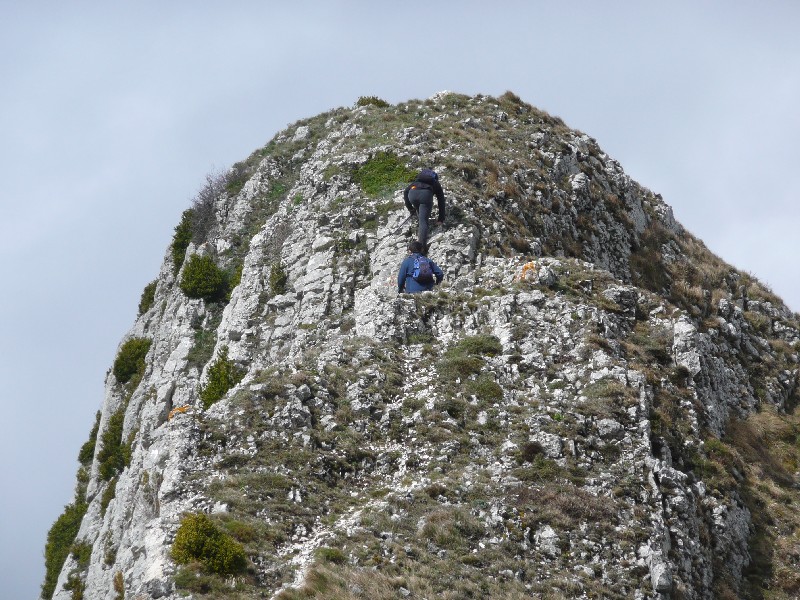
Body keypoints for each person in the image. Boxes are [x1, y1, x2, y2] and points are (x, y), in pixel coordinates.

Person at [403, 168, 446, 253]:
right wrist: (441, 219)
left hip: (413, 193)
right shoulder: (436, 183)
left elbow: (405, 192)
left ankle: (420, 224)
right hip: (425, 195)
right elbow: (441, 201)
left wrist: (410, 208)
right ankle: (421, 248)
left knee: (421, 214)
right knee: (423, 221)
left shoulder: (416, 181)